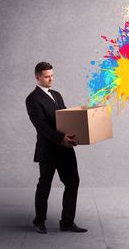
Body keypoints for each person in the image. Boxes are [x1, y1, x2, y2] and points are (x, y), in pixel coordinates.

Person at [25, 61, 87, 234]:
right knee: (45, 184)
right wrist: (61, 139)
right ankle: (39, 221)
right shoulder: (32, 99)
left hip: (66, 148)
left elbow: (65, 117)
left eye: (52, 75)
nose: (50, 79)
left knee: (73, 182)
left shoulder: (57, 95)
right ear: (37, 77)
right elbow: (41, 125)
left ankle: (67, 221)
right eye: (47, 76)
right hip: (49, 149)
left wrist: (79, 128)